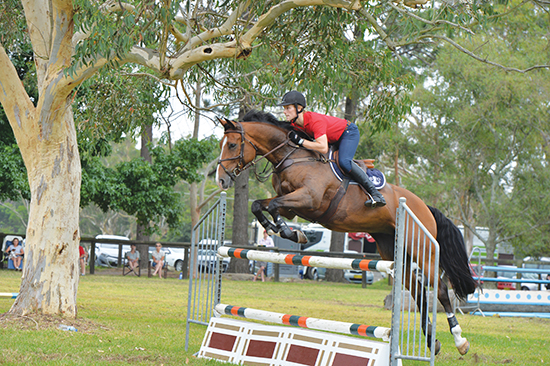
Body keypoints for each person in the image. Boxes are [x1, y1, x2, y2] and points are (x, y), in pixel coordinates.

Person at [278, 91, 386, 207]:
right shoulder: (295, 124)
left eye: (288, 108)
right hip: (333, 138)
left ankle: (376, 195)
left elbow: (323, 148)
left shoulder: (314, 121)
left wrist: (301, 141)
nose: (284, 112)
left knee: (344, 162)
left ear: (298, 108)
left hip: (348, 133)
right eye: (284, 108)